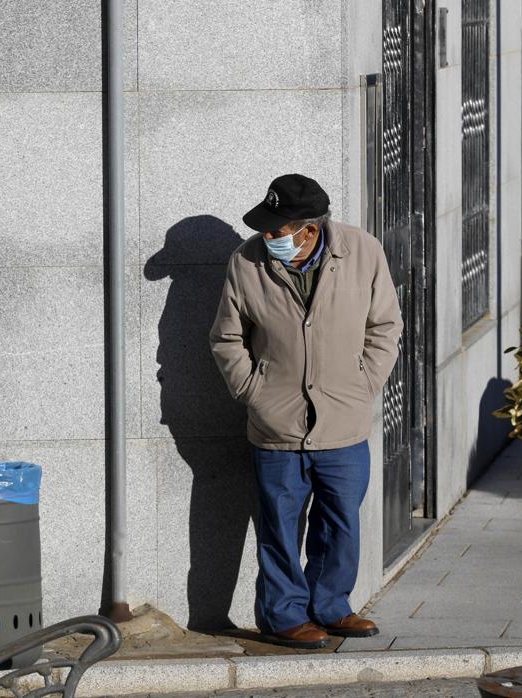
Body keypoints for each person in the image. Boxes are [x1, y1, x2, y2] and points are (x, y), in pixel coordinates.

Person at [208, 173, 403, 649]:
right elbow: (226, 338)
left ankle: (331, 607)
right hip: (276, 426)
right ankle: (282, 616)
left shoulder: (363, 252)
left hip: (344, 421)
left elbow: (385, 326)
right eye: (267, 229)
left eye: (278, 230)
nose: (267, 237)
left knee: (341, 523)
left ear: (309, 229)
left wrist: (363, 385)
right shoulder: (246, 263)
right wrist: (255, 391)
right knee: (278, 527)